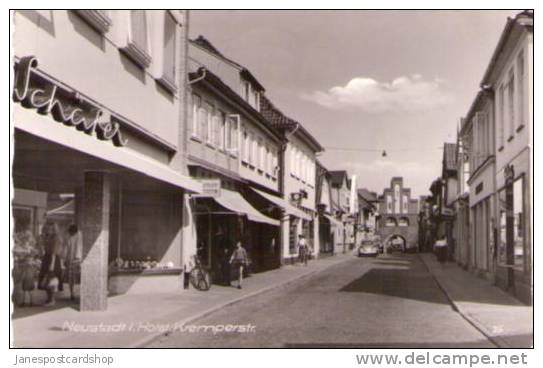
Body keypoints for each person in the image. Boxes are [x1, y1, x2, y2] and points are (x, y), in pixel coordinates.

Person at [12, 221, 39, 307]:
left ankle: (30, 301)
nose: (25, 242)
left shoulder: (30, 248)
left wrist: (27, 256)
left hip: (28, 268)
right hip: (25, 268)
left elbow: (34, 254)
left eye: (26, 240)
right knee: (24, 286)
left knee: (29, 286)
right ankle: (25, 302)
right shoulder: (23, 248)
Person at [38, 220, 65, 307]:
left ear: (53, 229)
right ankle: (49, 299)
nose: (46, 230)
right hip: (47, 258)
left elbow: (54, 252)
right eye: (46, 228)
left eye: (49, 228)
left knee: (51, 279)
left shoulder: (56, 238)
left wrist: (52, 265)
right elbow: (43, 248)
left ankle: (52, 300)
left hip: (53, 259)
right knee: (45, 280)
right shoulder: (47, 237)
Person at [65, 224, 83, 301]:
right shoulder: (73, 236)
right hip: (75, 259)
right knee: (74, 277)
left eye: (71, 233)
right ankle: (73, 293)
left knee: (74, 277)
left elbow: (68, 248)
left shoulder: (77, 235)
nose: (70, 234)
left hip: (75, 260)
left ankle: (73, 293)